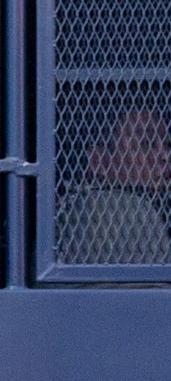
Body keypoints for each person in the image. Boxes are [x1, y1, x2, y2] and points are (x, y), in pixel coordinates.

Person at [58, 109, 170, 265]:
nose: (166, 155)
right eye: (147, 143)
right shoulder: (123, 208)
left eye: (168, 144)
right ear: (98, 160)